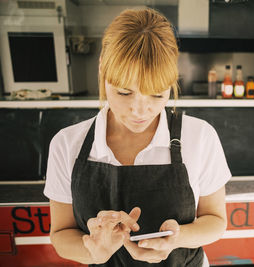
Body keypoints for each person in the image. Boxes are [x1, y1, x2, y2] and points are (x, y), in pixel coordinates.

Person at [43, 8, 231, 267]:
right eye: (123, 93)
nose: (140, 111)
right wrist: (95, 251)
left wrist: (177, 237)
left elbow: (216, 221)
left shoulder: (200, 136)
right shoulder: (66, 144)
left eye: (156, 94)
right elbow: (61, 235)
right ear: (102, 70)